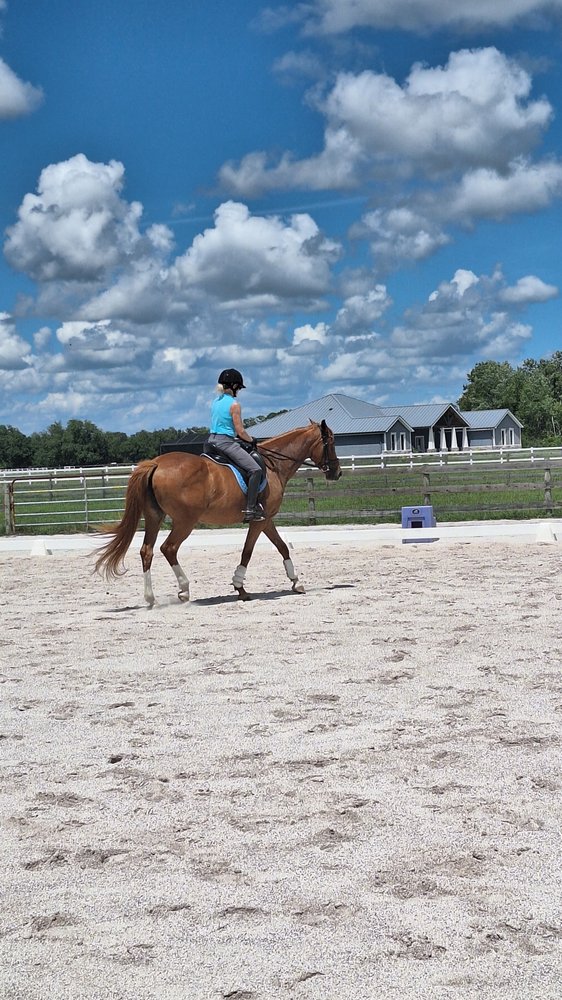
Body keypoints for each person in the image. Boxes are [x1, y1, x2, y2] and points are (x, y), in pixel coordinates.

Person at [207, 368, 265, 522]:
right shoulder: (234, 405)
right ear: (233, 386)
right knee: (255, 469)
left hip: (211, 441)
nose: (239, 390)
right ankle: (250, 509)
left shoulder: (215, 402)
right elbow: (240, 431)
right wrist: (251, 440)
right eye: (238, 387)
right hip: (225, 442)